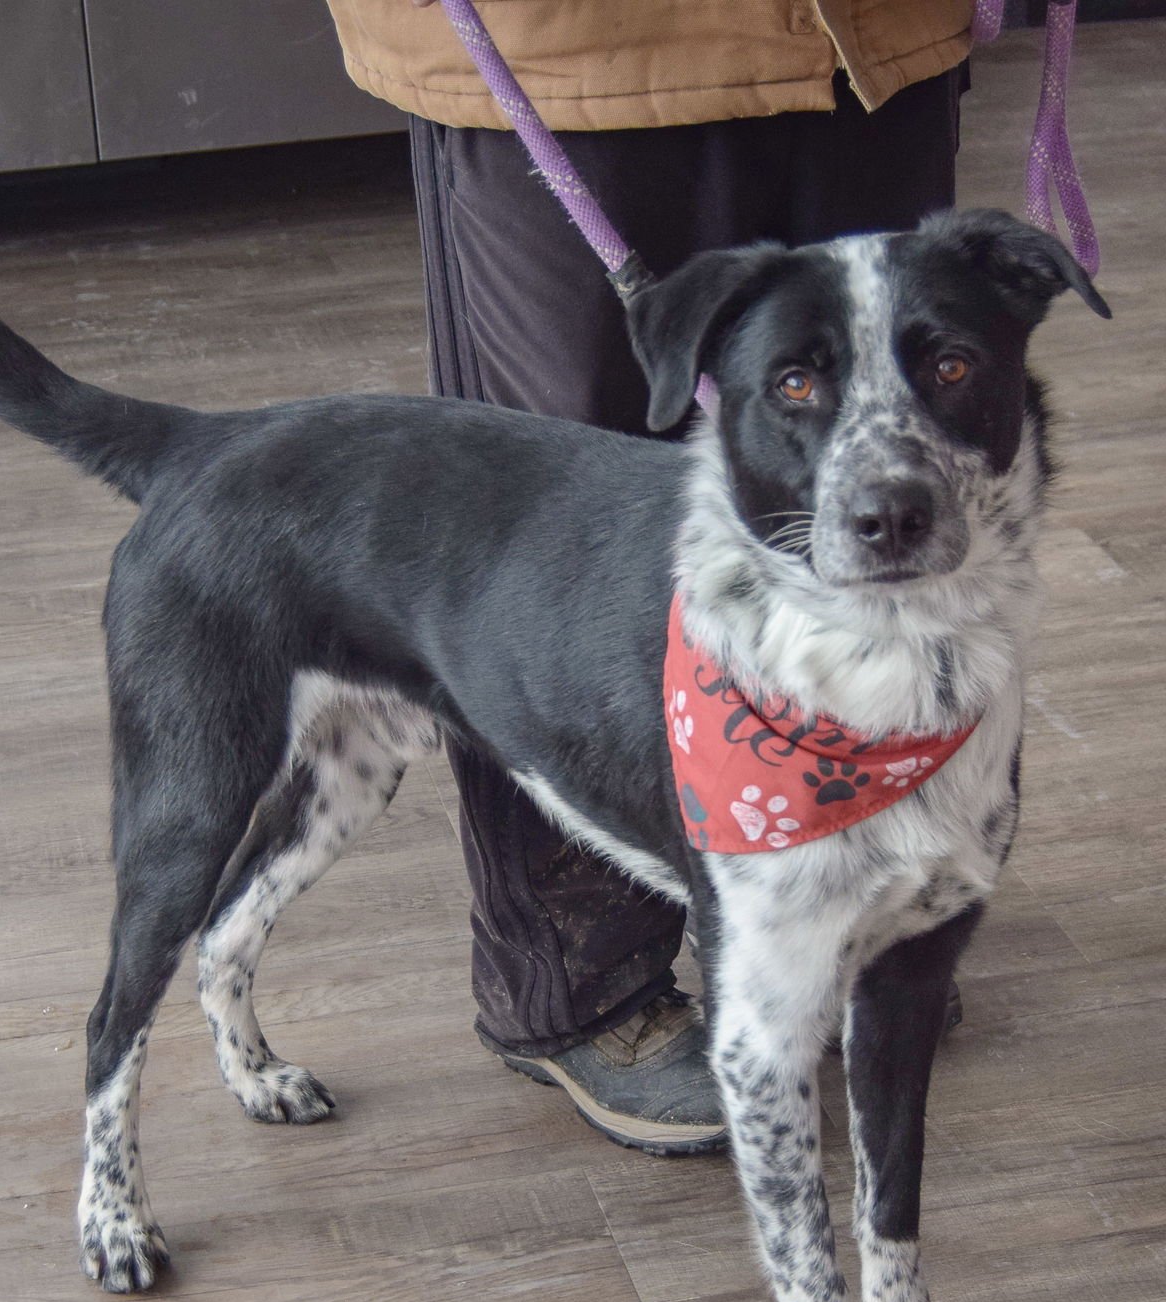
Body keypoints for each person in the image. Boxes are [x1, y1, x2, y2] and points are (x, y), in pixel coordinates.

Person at [322, 0, 975, 1152]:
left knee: (879, 470)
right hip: (572, 47)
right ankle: (581, 978)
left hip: (866, 37)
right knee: (564, 523)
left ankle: (844, 916)